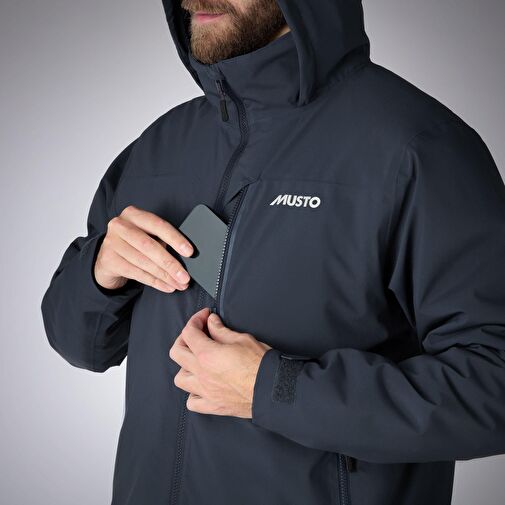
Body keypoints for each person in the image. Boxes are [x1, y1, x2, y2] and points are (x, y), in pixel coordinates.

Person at [40, 1, 505, 504]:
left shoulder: (417, 147)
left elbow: (494, 384)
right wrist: (99, 275)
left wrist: (279, 390)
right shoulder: (158, 148)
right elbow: (80, 344)